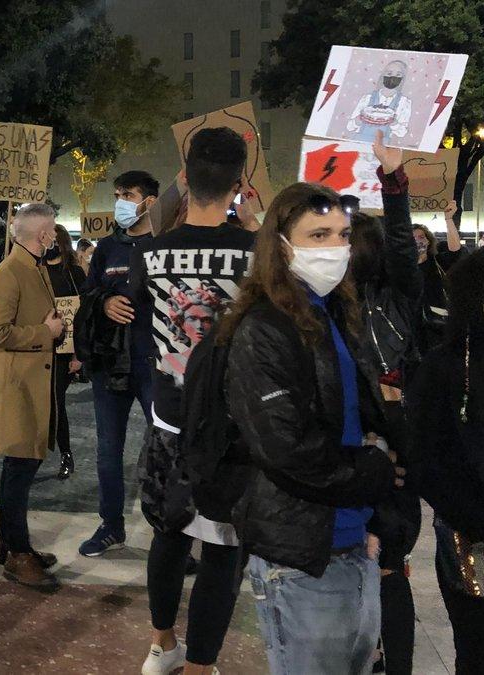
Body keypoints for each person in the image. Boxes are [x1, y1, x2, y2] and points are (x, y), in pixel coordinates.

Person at [221, 182, 402, 674]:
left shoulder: (331, 312)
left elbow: (349, 418)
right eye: (317, 234)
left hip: (348, 536)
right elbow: (284, 448)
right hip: (300, 550)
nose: (334, 248)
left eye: (342, 235)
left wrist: (370, 515)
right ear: (280, 246)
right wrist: (368, 474)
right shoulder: (264, 328)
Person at [126, 128, 255, 675]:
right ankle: (202, 666)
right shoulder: (258, 254)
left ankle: (162, 645)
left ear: (184, 177)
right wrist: (252, 224)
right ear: (239, 185)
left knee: (169, 533)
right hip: (230, 424)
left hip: (170, 415)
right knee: (224, 548)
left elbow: (129, 316)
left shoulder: (149, 253)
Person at [348, 132, 423, 675]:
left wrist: (393, 181)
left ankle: (391, 661)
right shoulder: (322, 307)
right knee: (355, 557)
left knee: (390, 560)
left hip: (397, 438)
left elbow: (402, 245)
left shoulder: (398, 295)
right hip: (349, 443)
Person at [409, 244, 484, 673]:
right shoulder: (446, 366)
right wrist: (483, 518)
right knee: (482, 653)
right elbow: (427, 460)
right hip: (476, 542)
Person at [0, 203, 64, 590]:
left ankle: (11, 544)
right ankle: (17, 553)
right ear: (42, 235)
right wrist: (44, 332)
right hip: (16, 389)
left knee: (20, 468)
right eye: (52, 231)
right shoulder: (9, 273)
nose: (55, 236)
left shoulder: (32, 267)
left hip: (30, 386)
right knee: (19, 470)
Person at [78, 170, 159, 556]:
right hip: (111, 363)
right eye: (117, 194)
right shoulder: (107, 248)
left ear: (151, 201)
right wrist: (104, 302)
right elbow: (88, 294)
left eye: (128, 194)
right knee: (108, 450)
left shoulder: (166, 244)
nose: (120, 201)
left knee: (164, 448)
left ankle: (168, 534)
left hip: (154, 363)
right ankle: (111, 526)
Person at [46, 225, 85, 480]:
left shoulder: (74, 274)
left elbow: (83, 316)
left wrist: (77, 355)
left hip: (65, 351)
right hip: (39, 348)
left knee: (56, 400)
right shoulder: (35, 271)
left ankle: (65, 453)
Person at [412, 201, 465, 352]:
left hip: (437, 325)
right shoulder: (403, 269)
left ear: (428, 241)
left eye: (421, 237)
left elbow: (455, 251)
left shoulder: (438, 261)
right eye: (413, 238)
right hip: (413, 327)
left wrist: (448, 219)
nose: (417, 241)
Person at [347, 60, 412, 145]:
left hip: (382, 146)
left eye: (398, 75)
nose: (393, 77)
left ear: (402, 78)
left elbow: (402, 133)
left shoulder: (404, 102)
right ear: (383, 75)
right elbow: (350, 127)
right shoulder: (367, 98)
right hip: (359, 142)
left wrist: (393, 123)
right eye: (389, 73)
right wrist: (360, 118)